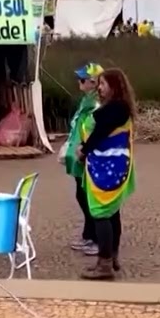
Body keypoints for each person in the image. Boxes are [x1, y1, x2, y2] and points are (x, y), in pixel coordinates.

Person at [75, 68, 137, 280]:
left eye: (102, 84)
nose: (99, 88)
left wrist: (83, 149)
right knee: (111, 212)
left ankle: (105, 264)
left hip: (108, 168)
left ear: (115, 86)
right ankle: (111, 256)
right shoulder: (114, 108)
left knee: (101, 212)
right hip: (107, 165)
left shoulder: (117, 109)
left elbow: (100, 131)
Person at [61, 62, 103, 255]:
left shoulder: (96, 104)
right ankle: (88, 235)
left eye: (83, 79)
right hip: (79, 154)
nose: (79, 82)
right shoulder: (86, 101)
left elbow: (93, 130)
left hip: (88, 155)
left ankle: (96, 238)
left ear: (93, 82)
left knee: (87, 196)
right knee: (81, 193)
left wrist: (83, 149)